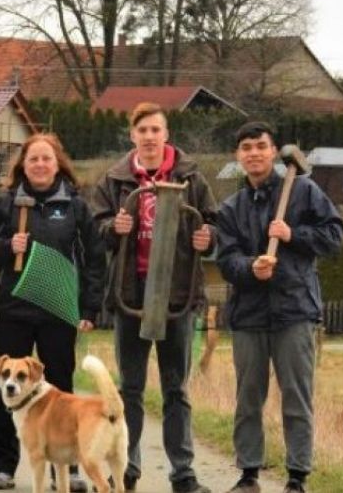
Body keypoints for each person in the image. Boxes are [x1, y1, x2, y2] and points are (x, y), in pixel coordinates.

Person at [90, 102, 215, 493]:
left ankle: (183, 472)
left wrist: (208, 237)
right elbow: (96, 227)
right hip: (131, 290)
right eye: (142, 130)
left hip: (177, 291)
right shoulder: (114, 180)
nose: (148, 137)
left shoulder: (191, 177)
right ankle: (126, 466)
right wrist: (115, 226)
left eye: (155, 130)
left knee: (177, 388)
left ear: (166, 134)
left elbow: (211, 222)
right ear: (132, 135)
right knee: (130, 387)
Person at [217, 122, 343, 493]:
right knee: (248, 397)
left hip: (295, 309)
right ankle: (249, 474)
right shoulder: (231, 207)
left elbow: (335, 238)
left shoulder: (303, 191)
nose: (253, 153)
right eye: (246, 147)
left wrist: (294, 235)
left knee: (296, 395)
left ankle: (297, 476)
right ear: (238, 157)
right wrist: (251, 268)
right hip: (248, 315)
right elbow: (226, 260)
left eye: (260, 146)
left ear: (273, 152)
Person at [0, 133, 106, 492]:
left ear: (58, 163)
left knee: (61, 392)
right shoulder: (7, 205)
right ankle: (2, 466)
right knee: (6, 390)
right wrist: (6, 246)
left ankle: (68, 470)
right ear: (23, 165)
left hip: (59, 312)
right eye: (33, 159)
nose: (40, 165)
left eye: (46, 158)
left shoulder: (76, 207)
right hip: (14, 310)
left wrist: (90, 307)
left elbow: (94, 258)